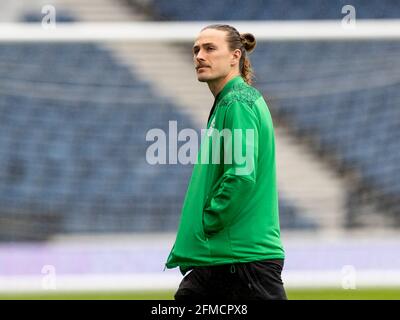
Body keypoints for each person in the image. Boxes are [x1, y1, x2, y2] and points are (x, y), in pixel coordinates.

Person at [165, 24, 287, 300]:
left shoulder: (237, 102)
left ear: (235, 56)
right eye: (196, 49)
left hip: (242, 259)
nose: (199, 55)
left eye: (209, 48)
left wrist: (208, 220)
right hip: (226, 256)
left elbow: (241, 175)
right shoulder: (231, 101)